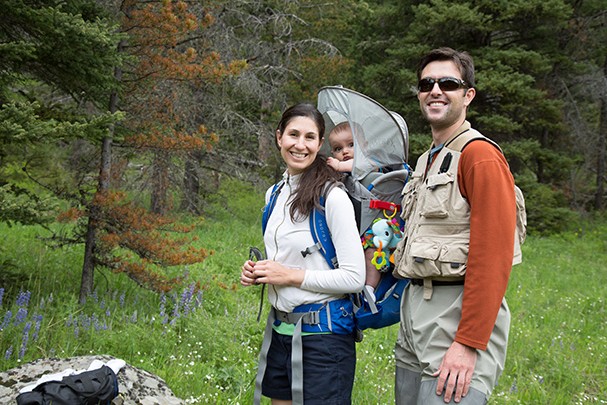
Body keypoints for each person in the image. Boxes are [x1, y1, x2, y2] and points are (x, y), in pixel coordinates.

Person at [393, 47, 518, 404]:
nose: (435, 90)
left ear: (468, 95)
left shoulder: (480, 157)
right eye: (426, 83)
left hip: (456, 315)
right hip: (415, 312)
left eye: (447, 82)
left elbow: (493, 257)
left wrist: (468, 342)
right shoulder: (427, 159)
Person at [241, 103, 365, 405]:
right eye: (293, 134)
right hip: (281, 330)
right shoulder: (274, 194)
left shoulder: (332, 197)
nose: (300, 144)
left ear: (319, 144)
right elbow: (290, 260)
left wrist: (288, 276)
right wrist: (260, 272)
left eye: (309, 137)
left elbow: (354, 277)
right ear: (279, 137)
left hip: (325, 340)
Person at [326, 121, 382, 300]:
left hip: (375, 225)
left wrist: (339, 166)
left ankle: (370, 289)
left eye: (351, 145)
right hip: (354, 225)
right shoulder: (340, 172)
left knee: (371, 255)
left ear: (364, 146)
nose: (345, 151)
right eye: (337, 148)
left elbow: (362, 167)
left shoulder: (370, 162)